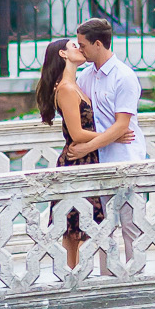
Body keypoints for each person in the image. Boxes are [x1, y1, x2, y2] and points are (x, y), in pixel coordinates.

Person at [35, 37, 128, 267]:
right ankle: (72, 276)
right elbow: (76, 134)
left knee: (82, 224)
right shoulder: (66, 88)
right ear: (63, 55)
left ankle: (77, 276)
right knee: (74, 227)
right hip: (76, 160)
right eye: (73, 46)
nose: (79, 48)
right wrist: (112, 135)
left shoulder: (75, 84)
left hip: (87, 158)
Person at [70, 18, 148, 164]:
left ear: (98, 44)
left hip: (124, 157)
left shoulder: (124, 77)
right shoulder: (85, 77)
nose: (80, 50)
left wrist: (87, 147)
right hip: (95, 160)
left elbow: (121, 125)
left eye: (82, 45)